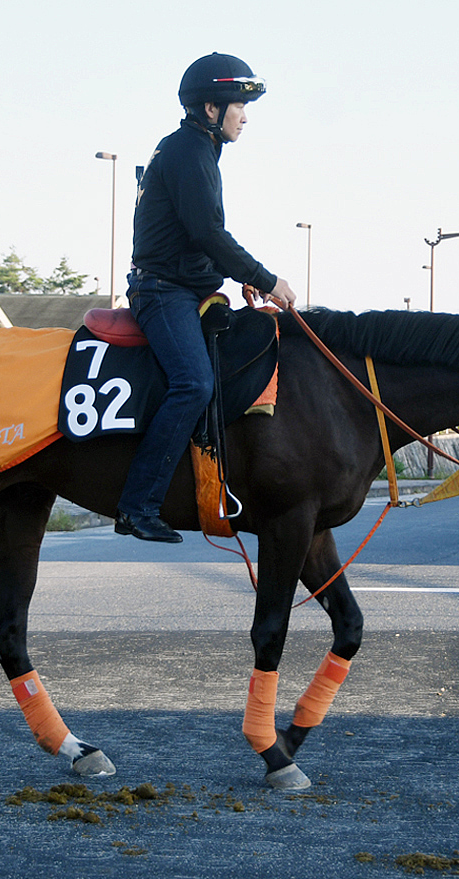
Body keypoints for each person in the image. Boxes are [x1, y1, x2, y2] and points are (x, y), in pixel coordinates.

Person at [115, 52, 297, 543]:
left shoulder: (193, 149)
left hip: (187, 286)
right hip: (161, 291)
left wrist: (235, 276)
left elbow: (192, 237)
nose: (245, 115)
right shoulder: (189, 152)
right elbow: (208, 232)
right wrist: (265, 276)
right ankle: (138, 504)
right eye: (238, 104)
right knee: (193, 383)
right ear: (211, 109)